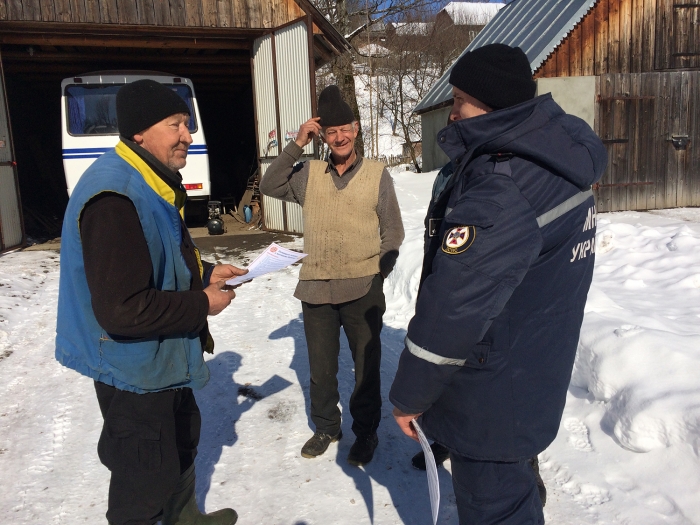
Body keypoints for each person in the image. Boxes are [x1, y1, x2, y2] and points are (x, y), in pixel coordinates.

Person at [390, 43, 607, 524]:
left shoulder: (503, 186)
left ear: (492, 104)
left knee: (495, 508)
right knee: (516, 492)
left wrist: (409, 396)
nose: (452, 113)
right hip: (532, 367)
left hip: (491, 396)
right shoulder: (554, 160)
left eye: (460, 100)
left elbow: (455, 307)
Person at [55, 79, 245, 525]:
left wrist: (203, 273)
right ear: (139, 132)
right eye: (176, 124)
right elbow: (122, 307)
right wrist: (202, 304)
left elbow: (154, 258)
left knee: (181, 436)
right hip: (131, 368)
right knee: (142, 475)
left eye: (187, 123)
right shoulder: (114, 196)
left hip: (160, 356)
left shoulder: (148, 179)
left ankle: (184, 517)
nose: (188, 135)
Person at [260, 85, 404, 466]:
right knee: (321, 371)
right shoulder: (308, 174)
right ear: (321, 136)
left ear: (356, 129)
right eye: (329, 132)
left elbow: (393, 230)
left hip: (363, 287)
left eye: (345, 129)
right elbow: (269, 184)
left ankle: (366, 432)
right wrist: (296, 144)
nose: (339, 137)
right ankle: (326, 427)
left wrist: (380, 273)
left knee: (365, 369)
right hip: (316, 288)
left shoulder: (376, 174)